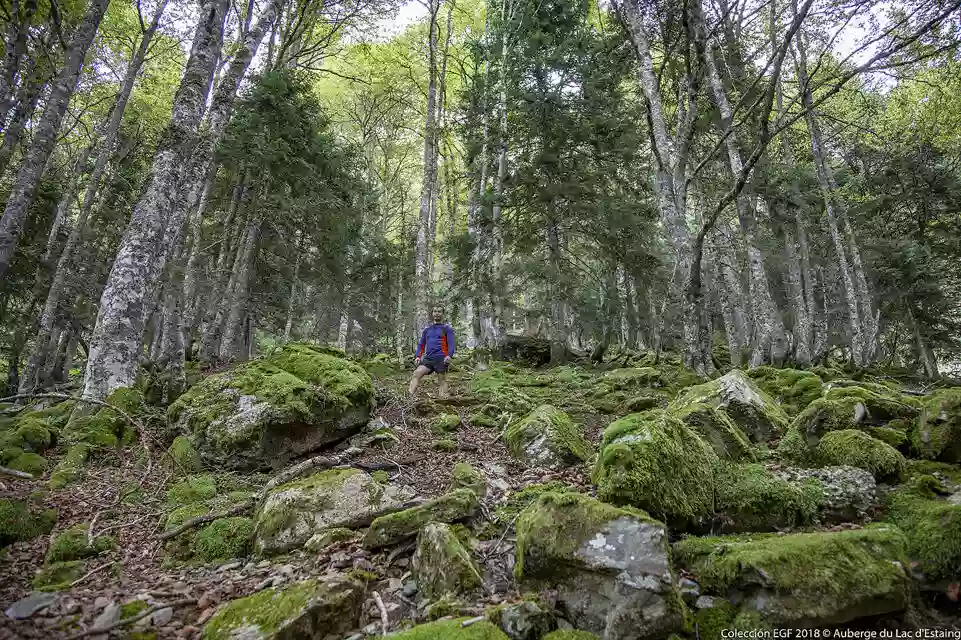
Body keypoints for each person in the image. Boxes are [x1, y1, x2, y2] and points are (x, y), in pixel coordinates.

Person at [409, 305, 455, 398]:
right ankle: (409, 398)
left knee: (441, 380)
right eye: (435, 311)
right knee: (416, 373)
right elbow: (421, 344)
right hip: (429, 358)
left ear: (443, 314)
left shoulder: (446, 329)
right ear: (432, 314)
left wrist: (449, 355)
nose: (437, 313)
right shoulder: (427, 330)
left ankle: (442, 402)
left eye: (439, 311)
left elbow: (451, 344)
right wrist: (418, 356)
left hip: (441, 358)